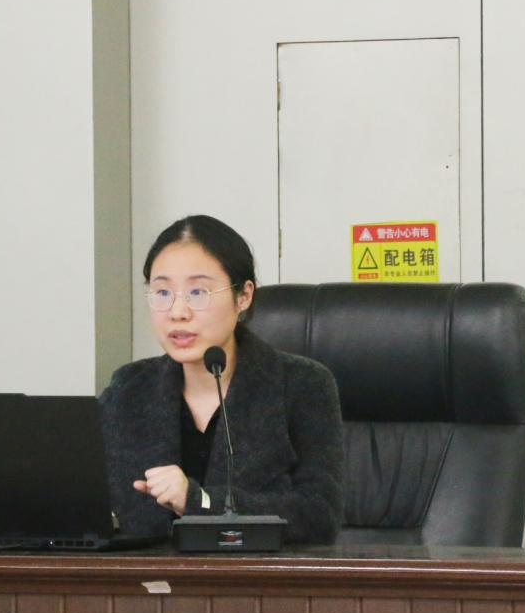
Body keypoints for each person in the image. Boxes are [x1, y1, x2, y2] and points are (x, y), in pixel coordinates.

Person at [99, 215, 344, 543]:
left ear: (243, 296)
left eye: (198, 292)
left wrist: (199, 501)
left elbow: (320, 516)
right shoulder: (128, 389)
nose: (177, 312)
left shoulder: (302, 385)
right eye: (162, 292)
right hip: (145, 575)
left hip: (259, 575)